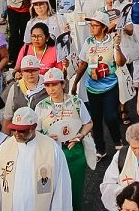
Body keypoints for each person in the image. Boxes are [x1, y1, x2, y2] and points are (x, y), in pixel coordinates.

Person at [0, 107, 71, 211]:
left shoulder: (52, 149)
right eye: (14, 129)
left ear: (34, 127)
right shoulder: (4, 148)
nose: (16, 134)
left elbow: (61, 187)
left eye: (22, 131)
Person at [35, 68, 92, 211]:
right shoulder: (41, 106)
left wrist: (81, 135)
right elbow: (35, 131)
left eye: (54, 84)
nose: (51, 89)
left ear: (63, 84)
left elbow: (88, 123)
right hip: (50, 153)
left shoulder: (76, 102)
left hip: (73, 151)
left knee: (74, 190)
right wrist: (45, 137)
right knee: (50, 190)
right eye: (47, 85)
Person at [71, 11, 126, 158]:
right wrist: (75, 83)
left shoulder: (113, 41)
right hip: (92, 88)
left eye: (95, 25)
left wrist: (118, 48)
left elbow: (121, 62)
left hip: (110, 86)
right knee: (95, 119)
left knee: (111, 117)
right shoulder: (88, 42)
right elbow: (83, 63)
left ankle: (118, 142)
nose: (91, 28)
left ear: (103, 27)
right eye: (91, 25)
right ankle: (100, 150)